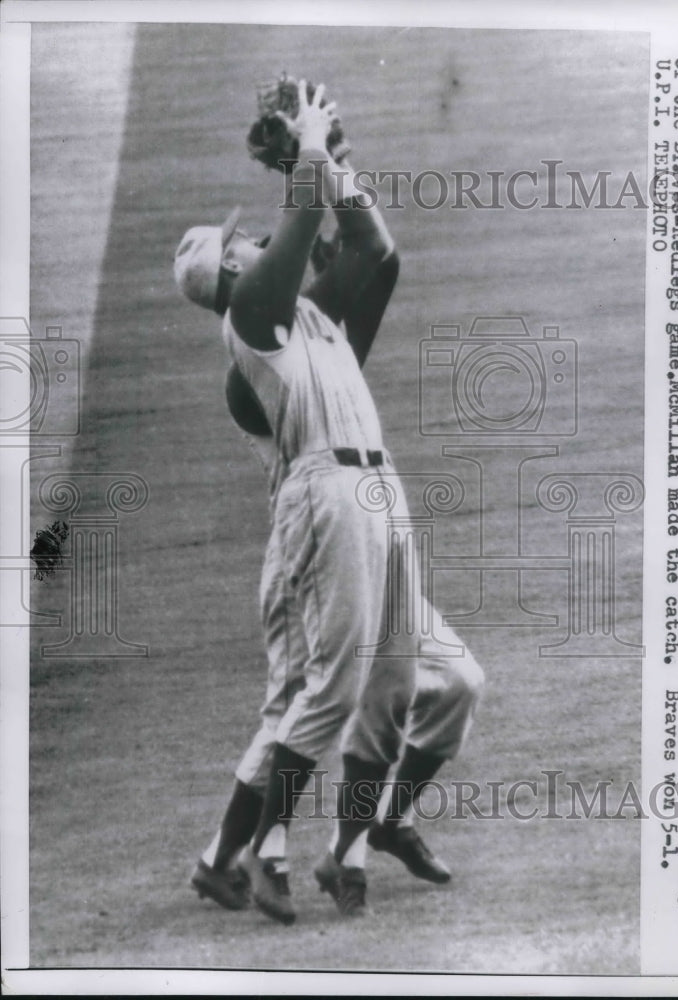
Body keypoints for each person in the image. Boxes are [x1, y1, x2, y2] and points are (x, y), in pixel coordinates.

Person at [174, 81, 483, 924]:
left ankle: (339, 842)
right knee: (329, 689)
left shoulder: (310, 318)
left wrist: (334, 164)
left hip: (372, 490)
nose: (255, 243)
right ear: (231, 269)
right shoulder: (250, 316)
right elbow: (305, 227)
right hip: (325, 496)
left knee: (407, 677)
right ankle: (256, 853)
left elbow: (374, 246)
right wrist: (305, 146)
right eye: (242, 244)